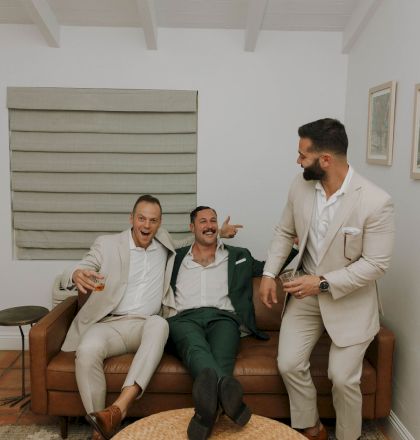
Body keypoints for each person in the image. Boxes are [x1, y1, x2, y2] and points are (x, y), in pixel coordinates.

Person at [60, 195, 240, 440]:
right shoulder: (108, 244)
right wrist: (76, 273)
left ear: (159, 223)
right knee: (87, 351)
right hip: (108, 323)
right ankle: (100, 425)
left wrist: (218, 232)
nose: (146, 225)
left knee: (160, 324)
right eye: (141, 219)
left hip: (144, 324)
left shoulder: (164, 243)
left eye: (153, 220)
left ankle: (119, 408)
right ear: (131, 218)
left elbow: (192, 238)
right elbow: (84, 264)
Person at [259, 118, 395, 440]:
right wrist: (268, 273)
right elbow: (284, 231)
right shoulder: (299, 185)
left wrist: (321, 282)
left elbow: (376, 264)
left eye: (302, 155)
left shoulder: (376, 202)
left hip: (350, 300)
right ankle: (311, 428)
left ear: (325, 160)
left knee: (343, 377)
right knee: (289, 364)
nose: (297, 161)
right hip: (306, 295)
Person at [168, 206, 297, 440]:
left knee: (221, 358)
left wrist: (295, 245)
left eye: (213, 221)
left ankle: (205, 415)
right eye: (203, 221)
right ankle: (233, 403)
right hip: (185, 319)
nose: (209, 225)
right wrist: (217, 234)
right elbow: (157, 237)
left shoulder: (238, 256)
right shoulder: (175, 256)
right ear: (191, 227)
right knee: (194, 347)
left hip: (224, 319)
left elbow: (269, 267)